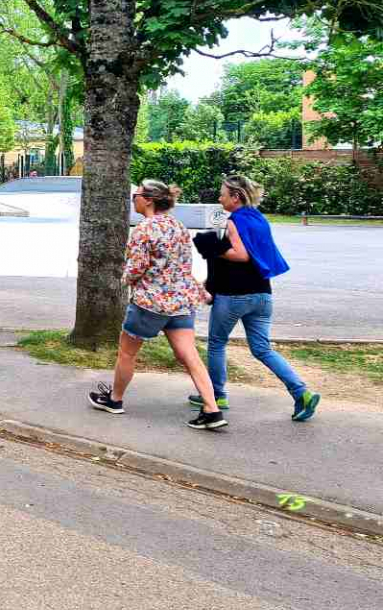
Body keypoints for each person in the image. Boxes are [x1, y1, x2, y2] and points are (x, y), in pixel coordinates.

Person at [89, 180, 227, 430]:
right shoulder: (179, 226)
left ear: (149, 200)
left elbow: (137, 267)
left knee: (127, 352)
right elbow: (184, 264)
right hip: (181, 302)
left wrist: (125, 279)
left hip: (150, 303)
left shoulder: (143, 229)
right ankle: (211, 409)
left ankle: (115, 399)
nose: (134, 199)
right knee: (190, 355)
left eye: (137, 195)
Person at [193, 175, 318, 421]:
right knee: (262, 348)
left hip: (234, 297)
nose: (220, 198)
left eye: (223, 194)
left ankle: (216, 395)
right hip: (262, 294)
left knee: (217, 343)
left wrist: (212, 248)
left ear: (236, 197)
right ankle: (301, 392)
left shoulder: (235, 221)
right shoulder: (260, 219)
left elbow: (241, 256)